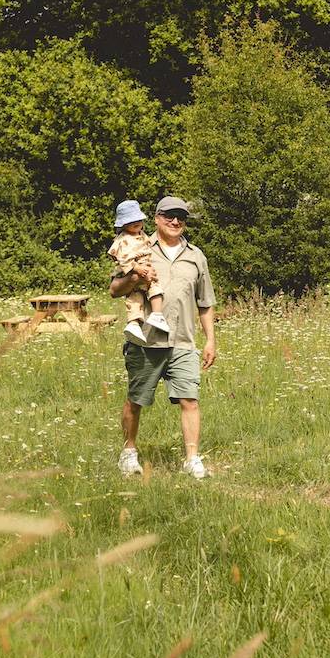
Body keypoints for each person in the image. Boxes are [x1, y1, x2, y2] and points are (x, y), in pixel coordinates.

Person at [110, 196, 217, 480]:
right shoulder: (139, 246)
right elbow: (114, 289)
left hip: (183, 341)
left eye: (181, 216)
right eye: (169, 215)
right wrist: (135, 278)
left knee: (189, 400)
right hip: (145, 341)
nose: (175, 221)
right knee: (136, 399)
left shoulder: (196, 256)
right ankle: (128, 452)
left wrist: (210, 340)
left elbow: (205, 302)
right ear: (156, 218)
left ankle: (192, 459)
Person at [108, 199, 171, 344]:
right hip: (133, 270)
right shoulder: (122, 240)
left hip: (146, 268)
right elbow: (122, 259)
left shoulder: (142, 235)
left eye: (138, 220)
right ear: (123, 224)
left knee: (154, 289)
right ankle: (134, 322)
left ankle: (156, 314)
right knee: (135, 297)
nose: (136, 223)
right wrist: (136, 269)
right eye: (131, 221)